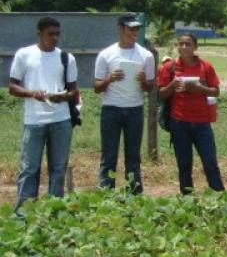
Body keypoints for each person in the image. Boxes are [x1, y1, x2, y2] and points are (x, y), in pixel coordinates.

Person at [9, 16, 78, 215]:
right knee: (30, 168)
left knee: (58, 168)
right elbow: (12, 86)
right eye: (50, 34)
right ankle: (24, 212)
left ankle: (54, 210)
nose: (55, 38)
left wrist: (63, 97)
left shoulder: (66, 58)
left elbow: (74, 91)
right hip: (34, 120)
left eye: (57, 34)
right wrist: (32, 93)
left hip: (60, 119)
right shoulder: (24, 55)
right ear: (39, 34)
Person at [93, 13, 155, 194]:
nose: (134, 32)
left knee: (133, 156)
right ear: (120, 29)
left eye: (137, 29)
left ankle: (133, 192)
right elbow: (97, 87)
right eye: (131, 28)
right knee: (109, 155)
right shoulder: (106, 55)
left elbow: (149, 88)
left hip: (134, 109)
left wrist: (144, 80)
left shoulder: (146, 56)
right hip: (111, 109)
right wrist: (109, 79)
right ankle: (106, 192)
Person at [158, 34, 224, 195]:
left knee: (210, 161)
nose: (184, 47)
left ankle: (219, 194)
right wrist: (173, 85)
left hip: (202, 123)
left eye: (188, 44)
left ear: (195, 47)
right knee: (184, 163)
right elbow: (161, 94)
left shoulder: (205, 67)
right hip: (179, 122)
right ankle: (187, 196)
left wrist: (199, 89)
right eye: (181, 44)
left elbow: (216, 91)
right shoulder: (169, 68)